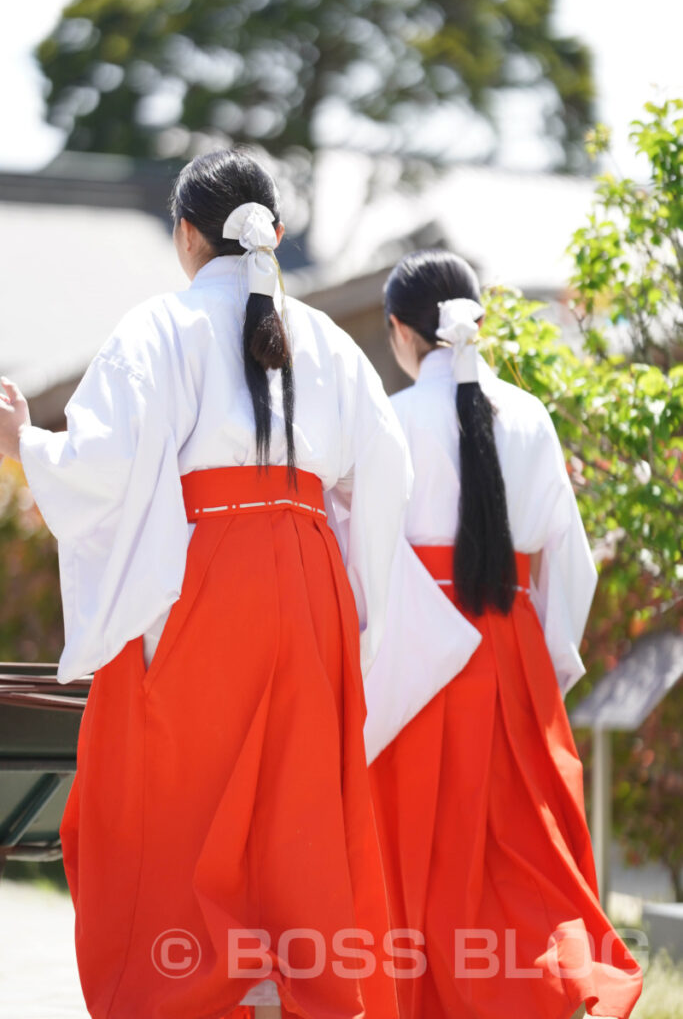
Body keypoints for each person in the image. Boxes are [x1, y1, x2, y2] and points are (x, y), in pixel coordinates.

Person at [0, 151, 460, 1019]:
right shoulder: (324, 338)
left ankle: (189, 989)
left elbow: (102, 463)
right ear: (275, 234)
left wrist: (26, 443)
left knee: (166, 789)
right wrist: (356, 601)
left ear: (185, 235)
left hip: (206, 565)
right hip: (311, 569)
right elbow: (385, 474)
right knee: (298, 799)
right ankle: (305, 989)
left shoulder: (157, 328)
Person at [366, 249, 643, 1019]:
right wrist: (542, 665)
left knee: (418, 856)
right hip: (513, 644)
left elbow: (365, 557)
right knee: (526, 851)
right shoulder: (529, 415)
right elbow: (569, 563)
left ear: (400, 331)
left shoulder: (389, 421)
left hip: (419, 657)